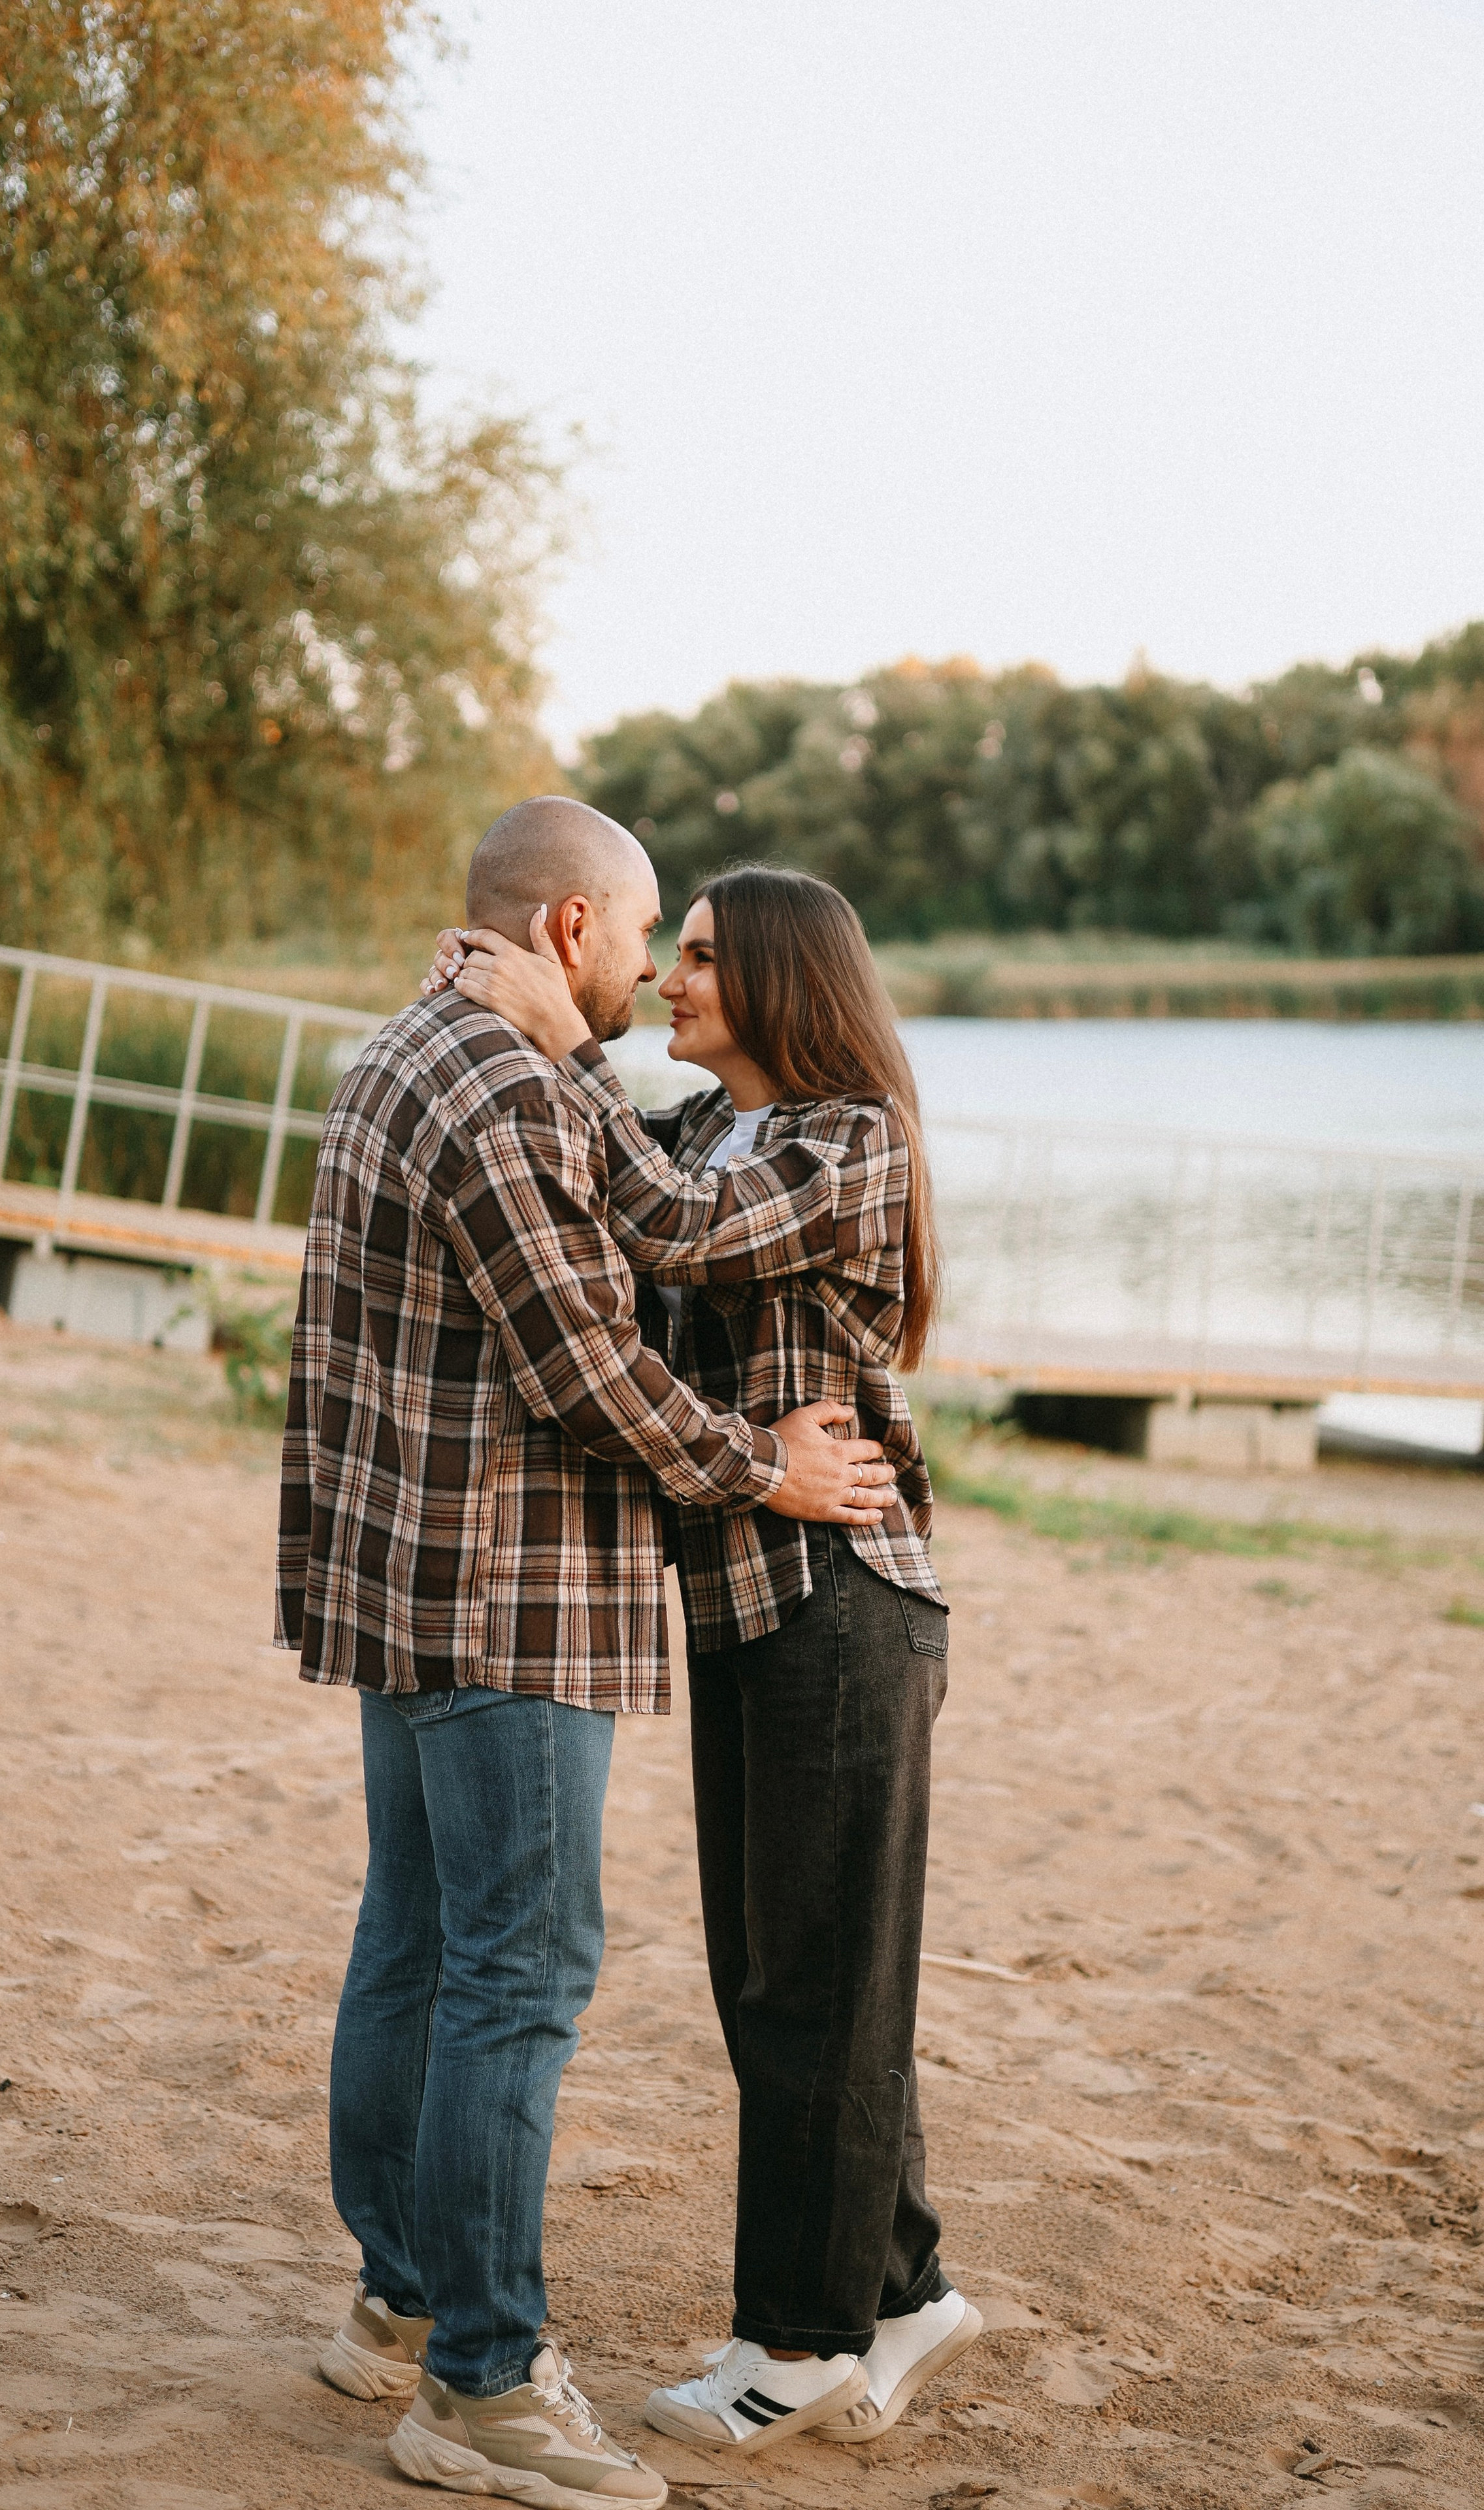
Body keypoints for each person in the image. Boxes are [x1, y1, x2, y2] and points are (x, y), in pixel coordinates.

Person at [276, 798, 904, 2510]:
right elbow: (588, 1371)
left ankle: (401, 2303)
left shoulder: (425, 1053)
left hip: (414, 1582)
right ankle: (481, 2382)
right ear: (570, 933)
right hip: (513, 1595)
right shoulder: (500, 1087)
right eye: (642, 938)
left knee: (419, 1938)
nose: (650, 970)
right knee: (520, 1968)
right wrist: (762, 1461)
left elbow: (633, 1216)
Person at [439, 863, 983, 2452]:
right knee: (786, 1971)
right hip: (745, 1594)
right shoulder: (694, 1125)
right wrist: (531, 1047)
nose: (668, 980)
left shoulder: (848, 1139)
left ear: (780, 982)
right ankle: (899, 2288)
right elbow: (616, 1219)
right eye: (660, 955)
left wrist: (557, 1035)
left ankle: (801, 2340)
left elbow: (669, 1233)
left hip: (838, 1593)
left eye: (697, 958)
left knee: (816, 1973)